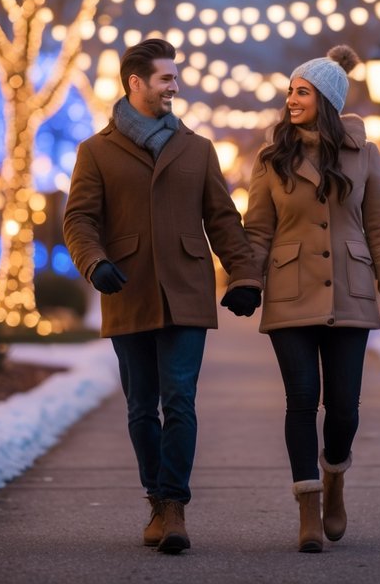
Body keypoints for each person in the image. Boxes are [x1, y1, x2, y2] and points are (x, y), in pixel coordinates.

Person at [62, 38, 262, 554]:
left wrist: (244, 275)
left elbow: (222, 218)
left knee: (180, 400)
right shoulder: (96, 151)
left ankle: (173, 505)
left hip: (188, 292)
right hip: (126, 289)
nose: (175, 86)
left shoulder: (197, 148)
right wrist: (94, 262)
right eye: (166, 78)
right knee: (139, 408)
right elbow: (79, 219)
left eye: (175, 78)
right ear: (136, 83)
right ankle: (154, 495)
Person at [233, 44, 380, 553]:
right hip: (290, 294)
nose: (290, 99)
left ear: (326, 99)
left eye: (301, 91)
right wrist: (247, 281)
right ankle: (308, 506)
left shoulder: (365, 154)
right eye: (289, 90)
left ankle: (335, 476)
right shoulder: (271, 158)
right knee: (301, 399)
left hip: (350, 294)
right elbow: (257, 230)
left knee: (345, 410)